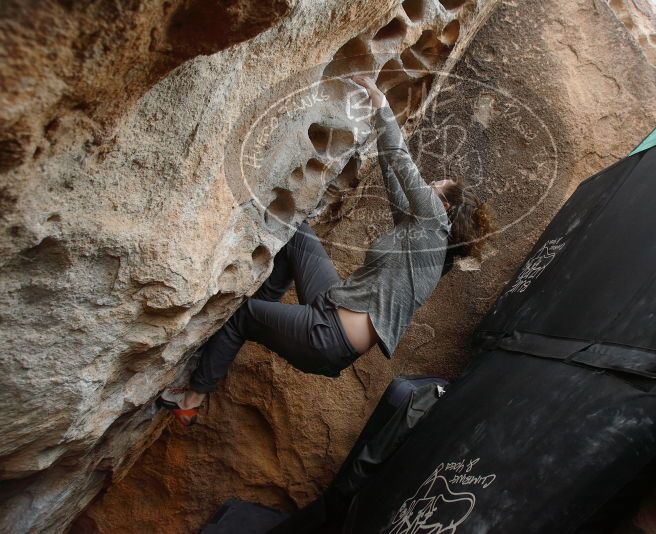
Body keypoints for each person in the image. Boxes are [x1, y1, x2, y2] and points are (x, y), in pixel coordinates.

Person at [158, 75, 496, 425]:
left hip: (327, 336)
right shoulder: (422, 236)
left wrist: (380, 101)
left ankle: (193, 397)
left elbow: (401, 161)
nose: (426, 186)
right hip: (331, 304)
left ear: (444, 208)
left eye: (434, 187)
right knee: (296, 233)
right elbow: (395, 178)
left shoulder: (433, 229)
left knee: (242, 317)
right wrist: (377, 130)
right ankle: (269, 314)